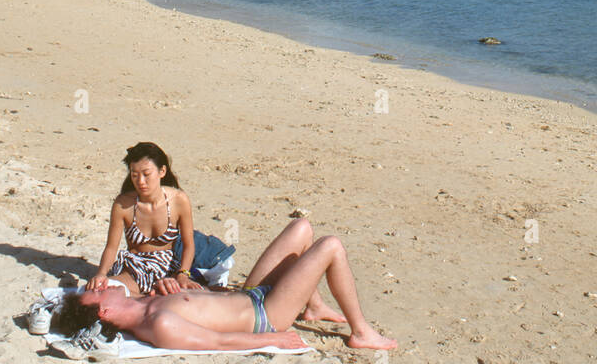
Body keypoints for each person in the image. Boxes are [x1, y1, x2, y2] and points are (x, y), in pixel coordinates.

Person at [57, 217, 395, 353]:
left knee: (302, 228)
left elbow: (206, 304)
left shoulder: (147, 298)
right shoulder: (158, 324)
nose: (101, 285)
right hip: (266, 313)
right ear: (103, 310)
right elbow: (218, 341)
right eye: (96, 292)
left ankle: (314, 305)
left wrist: (186, 287)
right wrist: (277, 339)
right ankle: (362, 332)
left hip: (247, 295)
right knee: (330, 246)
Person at [88, 143, 196, 296]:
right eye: (134, 175)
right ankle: (144, 298)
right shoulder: (123, 204)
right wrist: (101, 274)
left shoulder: (179, 200)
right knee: (103, 293)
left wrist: (183, 274)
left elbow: (189, 245)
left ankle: (145, 298)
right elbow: (111, 247)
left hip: (169, 268)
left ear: (162, 171)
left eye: (146, 174)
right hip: (134, 268)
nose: (140, 181)